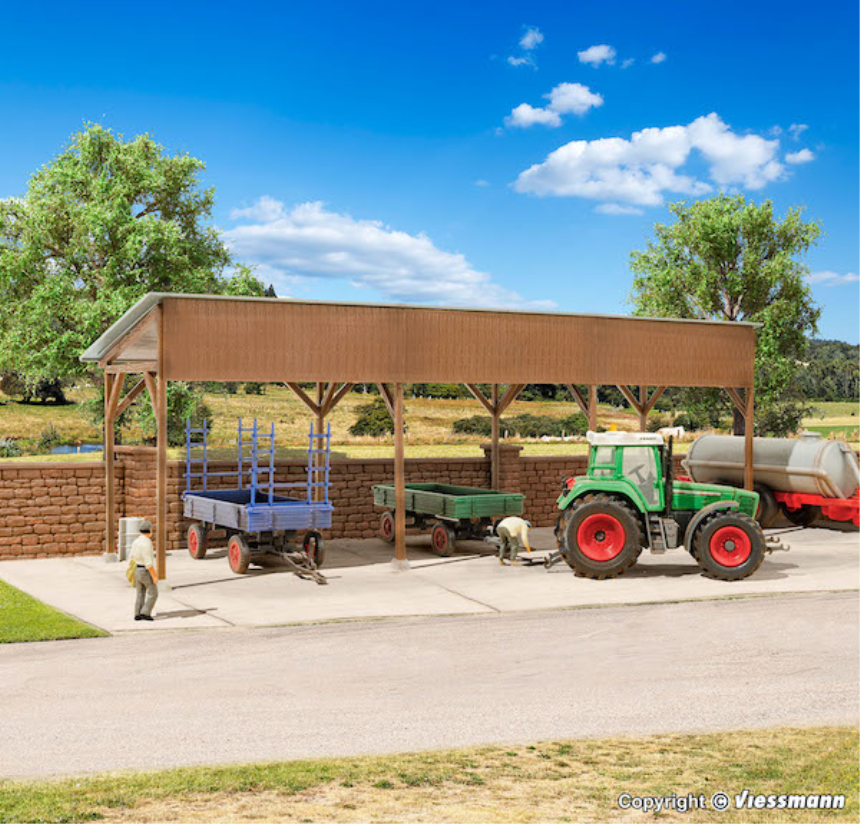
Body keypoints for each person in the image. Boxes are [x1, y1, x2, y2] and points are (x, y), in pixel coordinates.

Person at [130, 521, 158, 621]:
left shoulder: (135, 541)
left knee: (140, 593)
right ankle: (145, 612)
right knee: (153, 592)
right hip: (145, 570)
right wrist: (154, 576)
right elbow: (148, 562)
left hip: (137, 569)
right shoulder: (147, 542)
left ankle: (137, 612)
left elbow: (131, 556)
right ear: (149, 530)